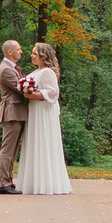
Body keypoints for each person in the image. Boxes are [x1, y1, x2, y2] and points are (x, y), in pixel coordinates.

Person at [15, 41, 71, 195]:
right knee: (34, 142)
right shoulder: (36, 72)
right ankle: (34, 182)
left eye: (35, 53)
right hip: (35, 111)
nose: (31, 56)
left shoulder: (47, 72)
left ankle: (46, 183)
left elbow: (53, 92)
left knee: (43, 141)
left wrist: (33, 95)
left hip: (43, 112)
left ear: (43, 56)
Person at [0, 39, 28, 194]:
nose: (21, 51)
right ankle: (4, 184)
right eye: (18, 49)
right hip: (12, 113)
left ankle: (8, 181)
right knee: (8, 150)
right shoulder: (6, 70)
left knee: (12, 151)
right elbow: (22, 89)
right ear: (9, 52)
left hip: (16, 112)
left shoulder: (10, 67)